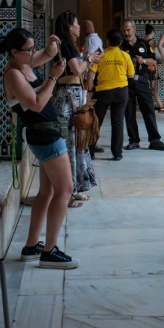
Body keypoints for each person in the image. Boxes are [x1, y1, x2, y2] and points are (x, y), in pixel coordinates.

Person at [0, 28, 79, 269]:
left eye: (34, 47)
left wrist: (52, 47)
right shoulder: (13, 74)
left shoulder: (23, 64)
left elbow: (41, 56)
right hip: (43, 134)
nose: (33, 53)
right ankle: (49, 251)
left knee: (47, 192)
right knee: (66, 189)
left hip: (47, 132)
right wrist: (53, 78)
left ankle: (32, 246)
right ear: (14, 52)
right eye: (29, 49)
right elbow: (35, 105)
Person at [54, 11, 103, 206]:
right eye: (76, 24)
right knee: (71, 142)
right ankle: (70, 189)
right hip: (69, 96)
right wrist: (89, 59)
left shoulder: (69, 45)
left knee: (77, 141)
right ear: (69, 26)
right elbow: (77, 70)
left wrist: (88, 57)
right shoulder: (66, 44)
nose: (79, 27)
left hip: (73, 94)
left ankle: (75, 187)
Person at [121, 20, 164, 151]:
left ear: (134, 29)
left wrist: (142, 60)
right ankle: (134, 140)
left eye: (128, 30)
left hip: (142, 81)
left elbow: (153, 60)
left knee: (148, 111)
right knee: (129, 112)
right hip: (126, 83)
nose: (126, 33)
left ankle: (155, 140)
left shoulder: (144, 44)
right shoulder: (121, 46)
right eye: (124, 31)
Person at [87, 29, 135, 161]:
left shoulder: (101, 55)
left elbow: (91, 73)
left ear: (107, 41)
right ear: (120, 42)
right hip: (121, 92)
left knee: (97, 122)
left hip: (103, 92)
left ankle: (90, 151)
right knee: (118, 122)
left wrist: (90, 89)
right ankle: (117, 153)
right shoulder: (125, 56)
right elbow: (131, 75)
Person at [81, 20, 104, 155]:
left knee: (88, 111)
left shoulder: (91, 40)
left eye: (84, 28)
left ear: (89, 27)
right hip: (92, 78)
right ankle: (91, 142)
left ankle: (89, 143)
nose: (83, 31)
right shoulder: (97, 39)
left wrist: (89, 86)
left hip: (88, 78)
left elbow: (89, 61)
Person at [143, 24, 164, 112]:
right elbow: (153, 57)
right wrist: (156, 70)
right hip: (151, 66)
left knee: (147, 86)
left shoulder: (142, 40)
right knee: (154, 86)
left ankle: (155, 105)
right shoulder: (152, 42)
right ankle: (160, 105)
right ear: (152, 32)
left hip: (144, 65)